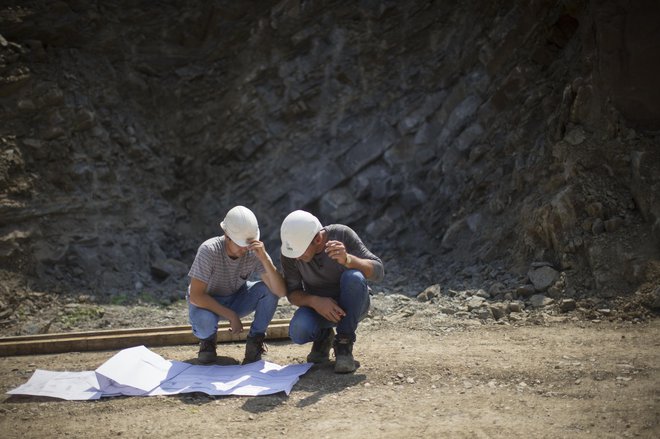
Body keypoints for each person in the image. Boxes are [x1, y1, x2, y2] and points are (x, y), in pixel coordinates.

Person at [279, 210, 384, 373]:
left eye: (301, 251)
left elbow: (378, 272)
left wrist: (349, 260)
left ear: (318, 239)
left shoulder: (342, 234)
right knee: (298, 331)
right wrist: (315, 302)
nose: (297, 257)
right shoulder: (291, 252)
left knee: (354, 276)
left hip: (354, 305)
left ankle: (344, 343)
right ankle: (324, 337)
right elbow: (292, 294)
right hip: (320, 309)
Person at [187, 205, 286, 365]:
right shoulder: (209, 250)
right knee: (205, 322)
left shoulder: (253, 251)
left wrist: (265, 259)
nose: (245, 249)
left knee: (268, 291)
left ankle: (255, 343)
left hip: (236, 298)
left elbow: (280, 291)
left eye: (248, 244)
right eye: (240, 244)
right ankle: (208, 342)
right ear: (227, 236)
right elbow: (196, 296)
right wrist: (231, 315)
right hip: (206, 304)